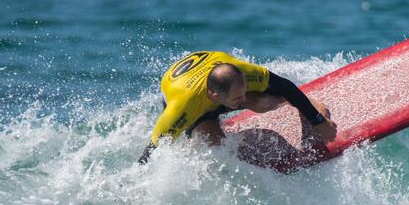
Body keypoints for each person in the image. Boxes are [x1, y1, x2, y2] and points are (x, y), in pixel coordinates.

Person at [138, 51, 337, 164]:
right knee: (215, 146)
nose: (244, 100)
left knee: (262, 102)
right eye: (238, 98)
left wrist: (317, 121)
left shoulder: (242, 73)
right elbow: (152, 150)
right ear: (215, 97)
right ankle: (205, 129)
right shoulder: (182, 109)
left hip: (217, 74)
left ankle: (307, 104)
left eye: (244, 93)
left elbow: (285, 86)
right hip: (189, 94)